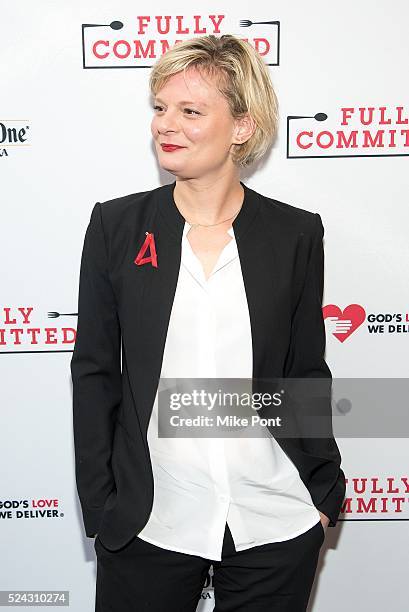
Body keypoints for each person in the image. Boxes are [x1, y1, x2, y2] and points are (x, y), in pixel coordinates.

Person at [71, 34, 345, 611]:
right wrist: (101, 505)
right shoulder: (116, 228)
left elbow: (304, 370)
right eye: (160, 108)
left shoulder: (295, 235)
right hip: (150, 520)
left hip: (272, 516)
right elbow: (94, 373)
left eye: (190, 111)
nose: (166, 125)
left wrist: (320, 489)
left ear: (242, 126)